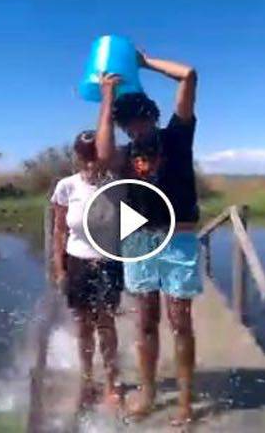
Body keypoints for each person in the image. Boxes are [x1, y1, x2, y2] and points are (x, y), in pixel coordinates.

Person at [95, 51, 200, 426]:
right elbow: (102, 153)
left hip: (179, 239)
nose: (135, 128)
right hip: (139, 242)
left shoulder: (176, 137)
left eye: (140, 120)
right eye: (128, 124)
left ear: (153, 116)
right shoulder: (123, 154)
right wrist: (107, 97)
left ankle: (186, 402)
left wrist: (143, 61)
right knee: (145, 322)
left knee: (180, 320)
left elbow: (188, 74)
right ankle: (149, 393)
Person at [50, 129, 124, 411]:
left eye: (95, 156)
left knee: (106, 325)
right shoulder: (66, 186)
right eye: (85, 157)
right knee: (83, 327)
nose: (91, 163)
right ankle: (87, 380)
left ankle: (112, 382)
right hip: (78, 262)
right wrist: (60, 268)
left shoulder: (117, 185)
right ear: (77, 157)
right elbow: (59, 231)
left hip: (108, 263)